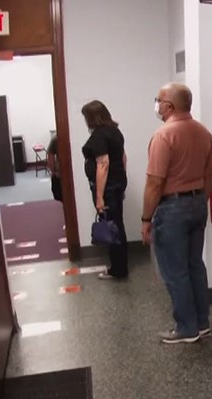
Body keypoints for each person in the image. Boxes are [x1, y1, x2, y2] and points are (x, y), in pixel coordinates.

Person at [142, 83, 212, 344]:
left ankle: (186, 328)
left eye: (158, 100)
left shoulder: (164, 136)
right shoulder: (204, 133)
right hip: (198, 204)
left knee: (175, 270)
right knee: (195, 264)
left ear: (169, 106)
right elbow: (208, 175)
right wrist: (199, 201)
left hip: (171, 208)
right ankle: (202, 322)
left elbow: (154, 183)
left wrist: (146, 218)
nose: (156, 104)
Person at [80, 100, 129, 280]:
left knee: (112, 227)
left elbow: (103, 164)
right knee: (117, 225)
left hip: (108, 188)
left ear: (92, 117)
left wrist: (100, 196)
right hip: (116, 184)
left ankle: (118, 269)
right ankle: (120, 266)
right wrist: (121, 184)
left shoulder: (99, 135)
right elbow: (123, 159)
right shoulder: (115, 132)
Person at [47, 134, 62, 202]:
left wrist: (53, 171)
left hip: (59, 174)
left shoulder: (56, 138)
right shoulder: (56, 139)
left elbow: (50, 156)